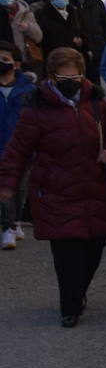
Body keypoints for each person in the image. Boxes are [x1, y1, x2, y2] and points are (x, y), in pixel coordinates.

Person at [0, 47, 106, 325]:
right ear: (51, 78)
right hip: (55, 191)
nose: (72, 82)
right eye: (65, 77)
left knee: (94, 246)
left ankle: (78, 294)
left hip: (94, 188)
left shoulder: (96, 104)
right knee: (67, 255)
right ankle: (70, 306)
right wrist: (8, 184)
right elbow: (17, 150)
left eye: (76, 76)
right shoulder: (36, 110)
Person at [0, 42, 37, 249]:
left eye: (5, 59)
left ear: (16, 64)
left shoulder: (28, 90)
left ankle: (15, 221)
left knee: (20, 187)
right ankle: (8, 226)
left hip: (22, 148)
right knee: (3, 187)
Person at [71, 0, 106, 76]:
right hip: (75, 51)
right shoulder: (68, 4)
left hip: (96, 50)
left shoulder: (97, 4)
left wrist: (104, 44)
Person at [0, 0, 43, 66]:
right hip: (4, 61)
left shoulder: (25, 13)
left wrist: (28, 28)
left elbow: (39, 37)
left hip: (24, 59)